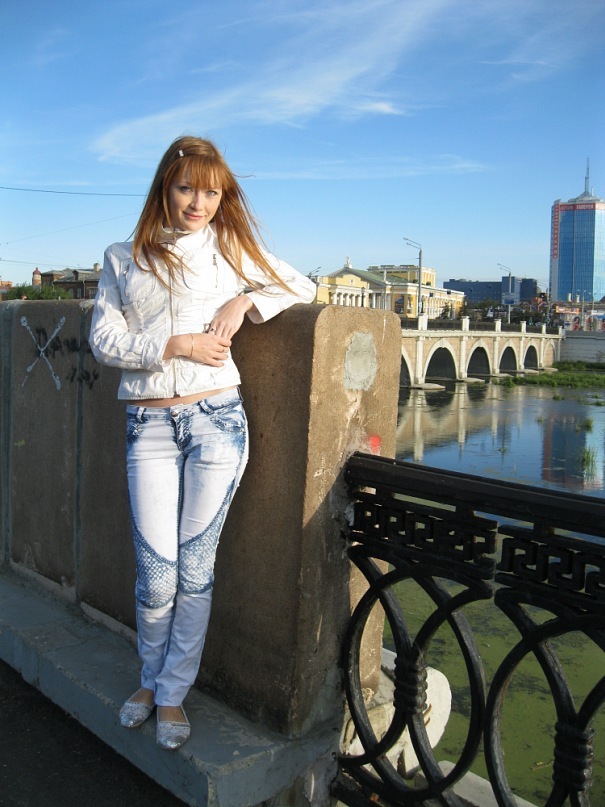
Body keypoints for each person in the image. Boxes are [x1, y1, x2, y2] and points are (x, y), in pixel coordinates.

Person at [89, 136, 316, 750]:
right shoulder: (122, 258)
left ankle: (170, 691)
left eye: (211, 192)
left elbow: (302, 286)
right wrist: (176, 344)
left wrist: (245, 300)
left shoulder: (228, 248)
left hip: (217, 422)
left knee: (194, 567)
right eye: (187, 187)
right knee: (155, 574)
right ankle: (149, 678)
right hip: (149, 428)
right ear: (164, 187)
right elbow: (104, 341)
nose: (199, 203)